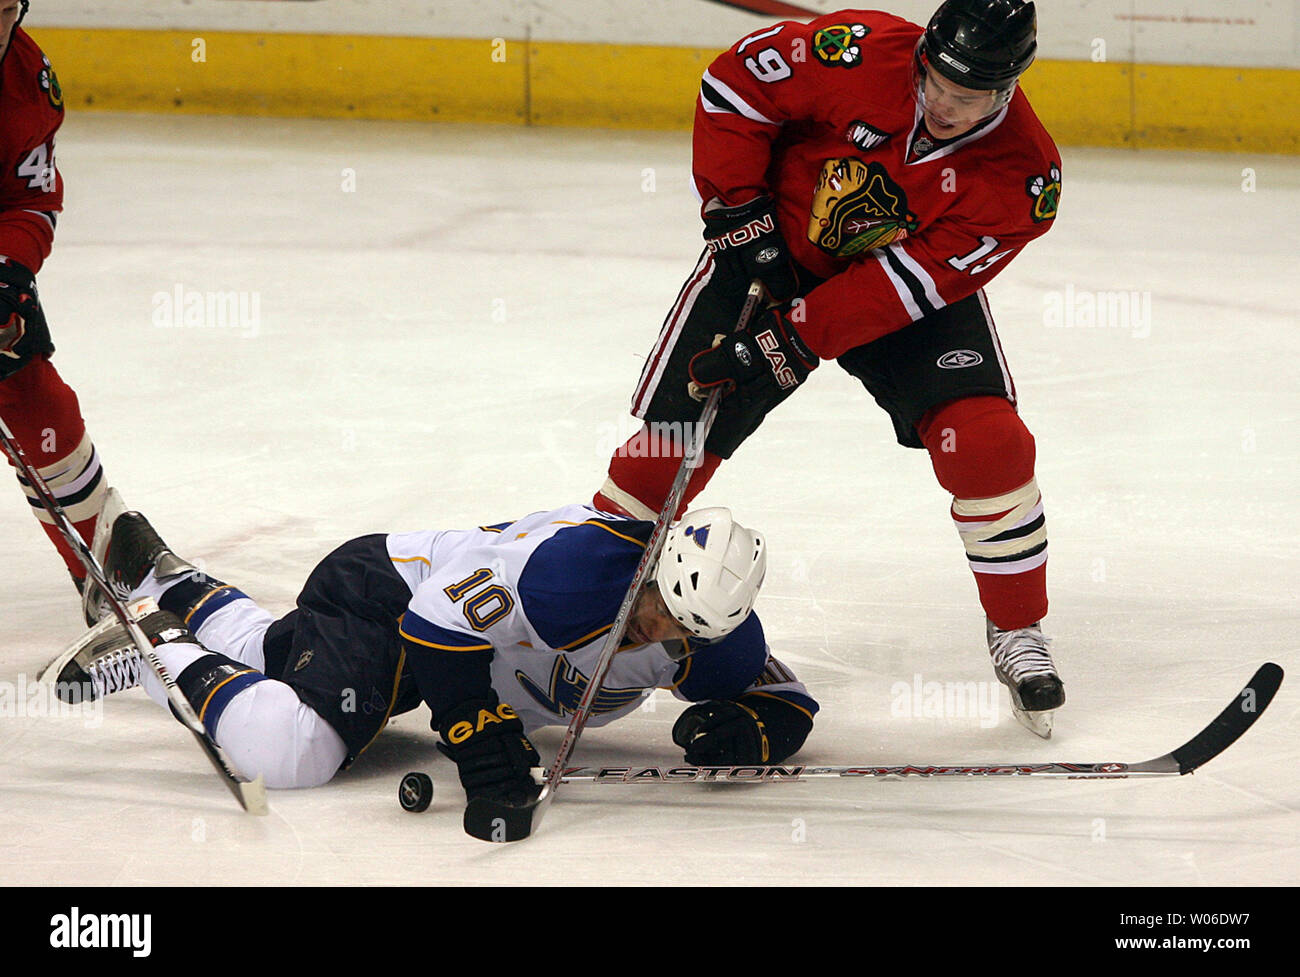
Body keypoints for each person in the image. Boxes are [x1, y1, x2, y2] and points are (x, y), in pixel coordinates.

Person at [592, 1, 1064, 735]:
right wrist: (738, 211)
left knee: (986, 441)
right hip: (769, 246)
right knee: (668, 443)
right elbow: (732, 89)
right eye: (934, 82)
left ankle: (1018, 629)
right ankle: (584, 597)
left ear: (1007, 89)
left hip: (893, 288)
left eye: (965, 98)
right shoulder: (861, 51)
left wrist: (791, 339)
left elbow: (904, 287)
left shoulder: (1024, 179)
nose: (940, 103)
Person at [47, 503, 818, 811]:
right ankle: (157, 649)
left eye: (677, 630)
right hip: (386, 593)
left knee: (284, 666)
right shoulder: (567, 575)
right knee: (295, 749)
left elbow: (784, 697)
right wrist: (476, 733)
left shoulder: (704, 640)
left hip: (422, 634)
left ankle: (178, 584)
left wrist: (756, 734)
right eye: (654, 606)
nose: (653, 630)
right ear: (649, 566)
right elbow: (437, 624)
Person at [0, 0, 112, 604]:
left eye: (4, 11)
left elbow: (27, 200)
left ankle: (98, 564)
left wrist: (6, 274)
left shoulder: (25, 78)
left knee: (35, 400)